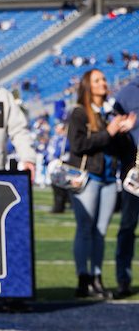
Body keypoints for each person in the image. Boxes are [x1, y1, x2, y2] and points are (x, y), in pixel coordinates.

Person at [66, 69, 135, 299]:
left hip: (107, 179)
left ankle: (96, 278)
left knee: (100, 232)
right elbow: (78, 145)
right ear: (88, 86)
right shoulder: (79, 113)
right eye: (98, 80)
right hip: (87, 178)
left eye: (104, 79)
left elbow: (115, 147)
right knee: (85, 229)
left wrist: (122, 132)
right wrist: (110, 131)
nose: (104, 83)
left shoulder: (109, 112)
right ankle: (82, 279)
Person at [112, 76, 139, 298]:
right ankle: (123, 278)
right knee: (128, 227)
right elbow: (115, 132)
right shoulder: (127, 93)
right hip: (135, 173)